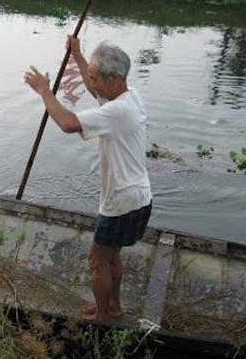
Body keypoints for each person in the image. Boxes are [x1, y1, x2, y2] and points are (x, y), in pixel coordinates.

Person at [23, 36, 152, 322]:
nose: (91, 85)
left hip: (120, 202)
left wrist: (45, 92)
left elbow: (69, 124)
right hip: (139, 198)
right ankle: (112, 306)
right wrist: (79, 55)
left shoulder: (117, 111)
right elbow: (96, 88)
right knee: (111, 257)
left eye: (95, 79)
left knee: (96, 259)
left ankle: (104, 317)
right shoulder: (130, 96)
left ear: (114, 78)